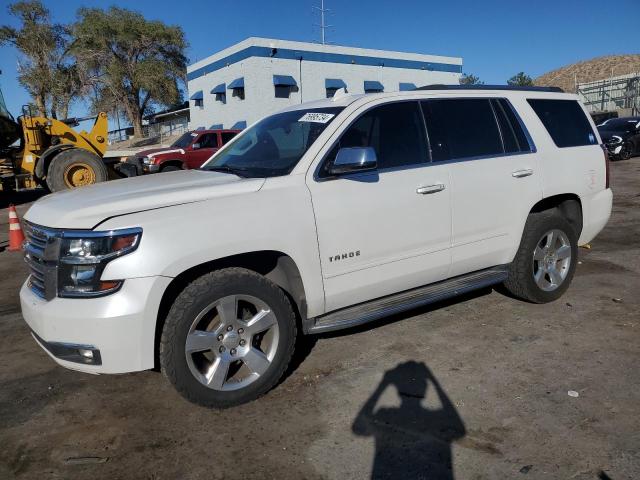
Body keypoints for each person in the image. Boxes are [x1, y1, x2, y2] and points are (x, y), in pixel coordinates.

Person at [352, 361, 466, 480]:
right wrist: (435, 382)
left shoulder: (385, 413)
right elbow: (460, 430)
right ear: (425, 390)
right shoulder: (436, 418)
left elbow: (357, 428)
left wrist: (383, 384)